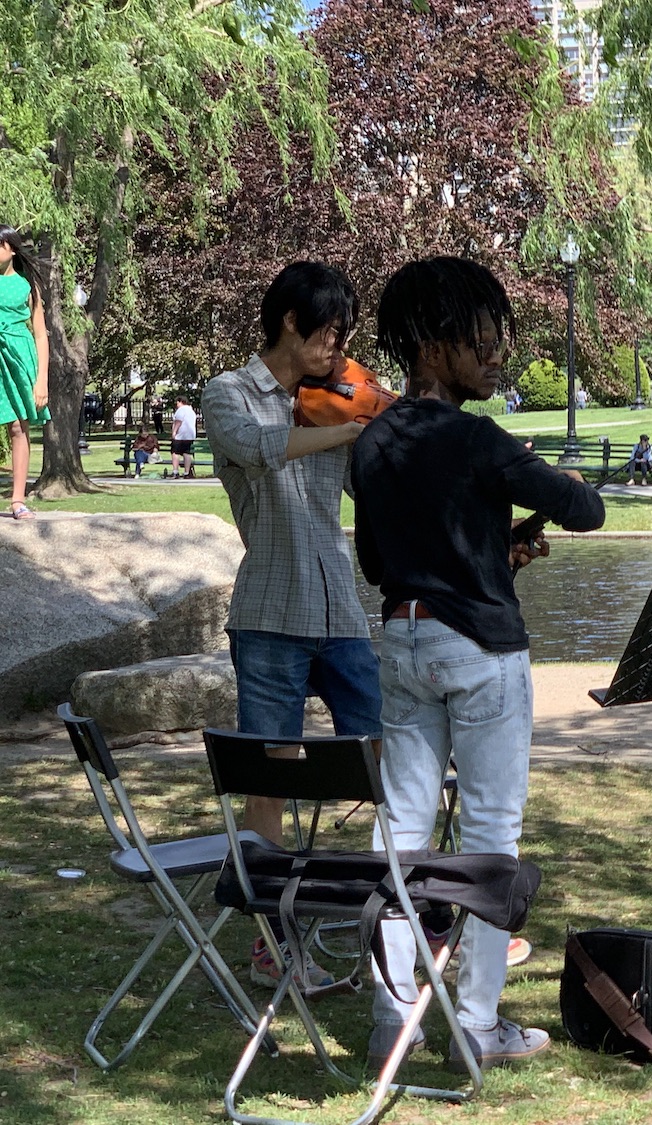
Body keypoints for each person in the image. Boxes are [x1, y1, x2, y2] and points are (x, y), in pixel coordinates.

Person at [353, 256, 605, 1071]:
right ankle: (479, 1021)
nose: (498, 351)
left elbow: (379, 560)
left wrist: (493, 550)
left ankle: (395, 1014)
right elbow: (587, 508)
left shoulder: (372, 441)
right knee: (492, 833)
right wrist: (553, 481)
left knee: (402, 832)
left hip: (404, 640)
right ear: (432, 345)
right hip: (482, 651)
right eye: (482, 337)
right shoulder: (479, 438)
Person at [201, 261, 379, 991]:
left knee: (393, 761)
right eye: (330, 333)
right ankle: (273, 943)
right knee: (267, 778)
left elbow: (382, 481)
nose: (340, 350)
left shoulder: (337, 400)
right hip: (270, 613)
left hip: (342, 609)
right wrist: (348, 429)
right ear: (289, 325)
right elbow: (263, 448)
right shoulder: (228, 393)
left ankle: (397, 926)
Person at [0, 226, 50, 520]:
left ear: (12, 250)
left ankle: (18, 500)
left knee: (18, 427)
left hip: (18, 358)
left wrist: (41, 379)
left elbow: (41, 335)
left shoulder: (27, 287)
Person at [169, 395, 197, 478]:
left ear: (180, 402)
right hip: (190, 435)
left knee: (175, 453)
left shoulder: (181, 410)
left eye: (177, 402)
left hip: (180, 435)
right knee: (186, 453)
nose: (176, 404)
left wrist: (174, 432)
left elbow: (178, 422)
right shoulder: (191, 411)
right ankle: (186, 473)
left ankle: (175, 472)